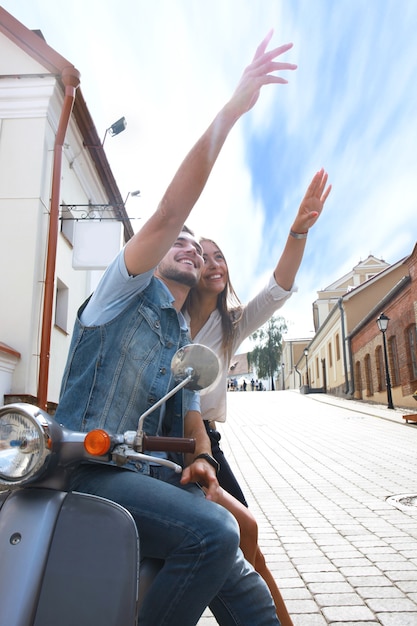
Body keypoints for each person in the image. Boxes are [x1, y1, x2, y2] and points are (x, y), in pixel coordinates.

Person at [54, 32, 296, 626]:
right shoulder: (122, 292)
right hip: (87, 472)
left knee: (245, 586)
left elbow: (193, 427)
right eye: (178, 241)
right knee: (214, 533)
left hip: (148, 481)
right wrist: (233, 109)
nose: (187, 245)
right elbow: (167, 212)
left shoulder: (183, 346)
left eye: (196, 242)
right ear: (154, 249)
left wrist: (206, 464)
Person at [184, 169, 331, 625]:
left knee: (248, 547)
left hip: (204, 444)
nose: (213, 263)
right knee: (214, 544)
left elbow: (277, 289)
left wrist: (298, 229)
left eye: (219, 257)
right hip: (158, 443)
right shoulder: (166, 316)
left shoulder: (231, 324)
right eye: (203, 257)